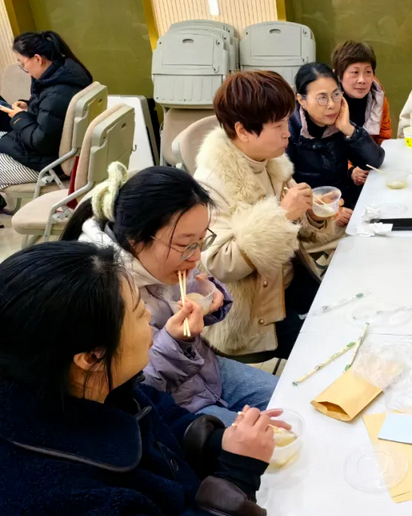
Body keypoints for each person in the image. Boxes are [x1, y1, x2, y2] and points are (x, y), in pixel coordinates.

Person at [0, 240, 291, 516]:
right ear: (92, 356)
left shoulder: (88, 384)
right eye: (140, 312)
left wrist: (219, 441)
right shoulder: (65, 510)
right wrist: (235, 476)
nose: (151, 315)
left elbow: (159, 413)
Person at [62, 164, 278, 426]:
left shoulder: (170, 254)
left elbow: (197, 277)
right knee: (270, 441)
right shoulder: (103, 290)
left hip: (208, 370)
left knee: (293, 401)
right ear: (135, 238)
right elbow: (133, 390)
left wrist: (210, 296)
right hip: (168, 407)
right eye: (186, 245)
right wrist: (177, 341)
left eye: (201, 241)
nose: (197, 255)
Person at [194, 70, 342, 361]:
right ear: (243, 131)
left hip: (288, 280)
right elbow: (219, 264)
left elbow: (299, 232)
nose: (287, 131)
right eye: (278, 125)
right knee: (329, 352)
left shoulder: (270, 159)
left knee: (348, 309)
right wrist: (282, 215)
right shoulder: (211, 182)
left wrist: (311, 212)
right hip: (254, 313)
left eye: (286, 120)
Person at [0, 31, 92, 199]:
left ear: (37, 59)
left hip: (47, 163)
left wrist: (19, 117)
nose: (24, 69)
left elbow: (41, 142)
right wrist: (28, 105)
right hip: (52, 153)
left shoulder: (56, 93)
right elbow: (51, 112)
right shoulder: (63, 73)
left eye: (22, 63)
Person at [287, 62, 385, 213]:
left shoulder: (338, 123)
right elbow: (286, 195)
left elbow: (375, 161)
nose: (332, 104)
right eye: (322, 98)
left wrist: (350, 130)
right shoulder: (289, 132)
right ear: (302, 101)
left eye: (336, 94)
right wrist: (326, 212)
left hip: (342, 203)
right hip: (310, 217)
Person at [331, 40, 392, 145]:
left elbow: (383, 138)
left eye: (368, 72)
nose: (362, 80)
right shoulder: (326, 101)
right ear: (339, 75)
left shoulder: (377, 98)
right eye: (355, 72)